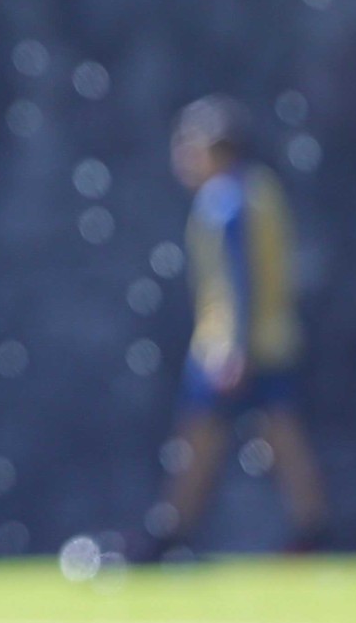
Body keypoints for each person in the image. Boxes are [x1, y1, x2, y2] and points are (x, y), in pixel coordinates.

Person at [135, 94, 328, 560]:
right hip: (274, 337)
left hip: (231, 344)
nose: (182, 157)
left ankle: (171, 533)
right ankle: (313, 529)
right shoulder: (261, 187)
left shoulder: (224, 198)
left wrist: (234, 346)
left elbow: (240, 277)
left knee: (199, 437)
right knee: (280, 434)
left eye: (190, 145)